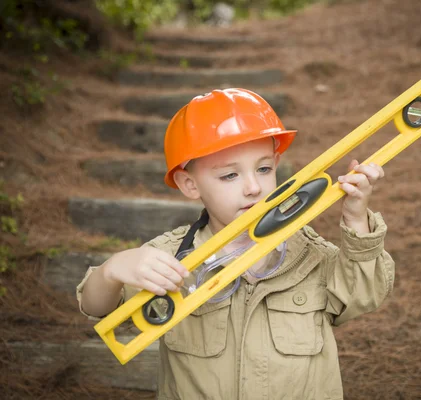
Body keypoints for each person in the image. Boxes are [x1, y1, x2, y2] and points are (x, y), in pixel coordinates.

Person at [77, 88, 395, 400]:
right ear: (190, 184)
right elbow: (97, 307)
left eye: (264, 168)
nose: (254, 187)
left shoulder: (307, 254)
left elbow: (365, 294)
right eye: (230, 175)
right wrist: (111, 272)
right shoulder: (171, 259)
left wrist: (356, 220)